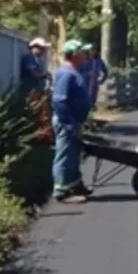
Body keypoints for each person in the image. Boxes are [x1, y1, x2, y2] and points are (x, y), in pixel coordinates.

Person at [51, 39, 94, 203]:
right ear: (75, 54)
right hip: (66, 122)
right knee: (64, 155)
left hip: (74, 121)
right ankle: (62, 191)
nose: (85, 55)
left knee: (74, 155)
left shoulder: (75, 71)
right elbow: (59, 101)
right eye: (82, 52)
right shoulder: (66, 74)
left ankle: (75, 184)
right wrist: (69, 123)